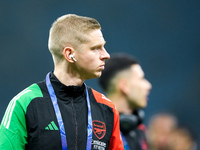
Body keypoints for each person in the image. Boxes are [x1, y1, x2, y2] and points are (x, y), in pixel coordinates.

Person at [0, 14, 124, 150]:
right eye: (96, 48)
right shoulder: (25, 103)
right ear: (70, 54)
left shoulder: (107, 108)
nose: (106, 55)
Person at [99, 53, 152, 150]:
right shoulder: (97, 132)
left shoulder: (140, 131)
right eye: (141, 79)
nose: (148, 86)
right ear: (124, 86)